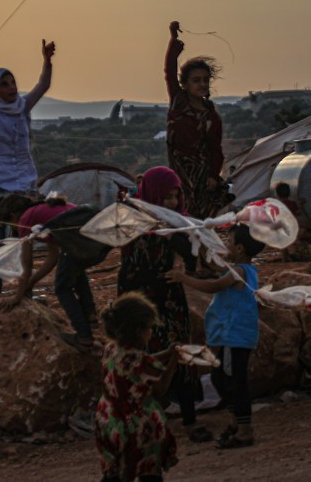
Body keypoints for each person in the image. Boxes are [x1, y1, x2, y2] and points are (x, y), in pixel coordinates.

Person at [118, 167, 208, 442]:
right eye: (166, 197)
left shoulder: (178, 222)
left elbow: (193, 258)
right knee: (142, 357)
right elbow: (127, 259)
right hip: (139, 299)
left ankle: (190, 420)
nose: (171, 203)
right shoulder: (132, 218)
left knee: (179, 352)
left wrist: (172, 236)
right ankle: (146, 423)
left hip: (169, 299)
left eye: (174, 197)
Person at [0, 37, 55, 296]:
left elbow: (43, 85)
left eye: (13, 82)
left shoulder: (23, 107)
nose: (11, 87)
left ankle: (23, 292)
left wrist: (47, 60)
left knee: (23, 243)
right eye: (4, 84)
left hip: (24, 183)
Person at [165, 223, 265, 449]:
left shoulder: (238, 272)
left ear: (239, 247)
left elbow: (214, 286)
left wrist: (184, 278)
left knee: (233, 381)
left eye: (229, 241)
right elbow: (213, 264)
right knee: (223, 379)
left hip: (235, 336)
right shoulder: (240, 269)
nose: (226, 245)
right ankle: (236, 423)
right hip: (233, 336)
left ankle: (245, 430)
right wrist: (198, 243)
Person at [0, 194, 102, 353]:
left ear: (12, 216)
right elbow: (53, 257)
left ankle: (83, 337)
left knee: (62, 288)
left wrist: (18, 296)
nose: (13, 228)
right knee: (76, 271)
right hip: (96, 238)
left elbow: (27, 264)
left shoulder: (25, 219)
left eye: (9, 224)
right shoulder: (44, 212)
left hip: (80, 242)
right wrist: (30, 284)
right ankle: (90, 315)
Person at [94, 292, 179, 482]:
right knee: (148, 471)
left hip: (108, 420)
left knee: (114, 473)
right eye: (149, 328)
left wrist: (167, 353)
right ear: (139, 330)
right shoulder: (139, 359)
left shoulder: (112, 349)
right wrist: (173, 361)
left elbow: (133, 366)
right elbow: (160, 390)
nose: (151, 332)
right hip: (136, 426)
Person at [165, 21, 228, 219]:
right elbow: (169, 73)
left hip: (202, 178)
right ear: (185, 84)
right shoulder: (179, 101)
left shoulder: (212, 117)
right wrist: (173, 41)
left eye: (205, 80)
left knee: (201, 220)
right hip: (180, 173)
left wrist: (212, 175)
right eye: (196, 80)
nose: (202, 84)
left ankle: (202, 250)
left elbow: (215, 149)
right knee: (181, 216)